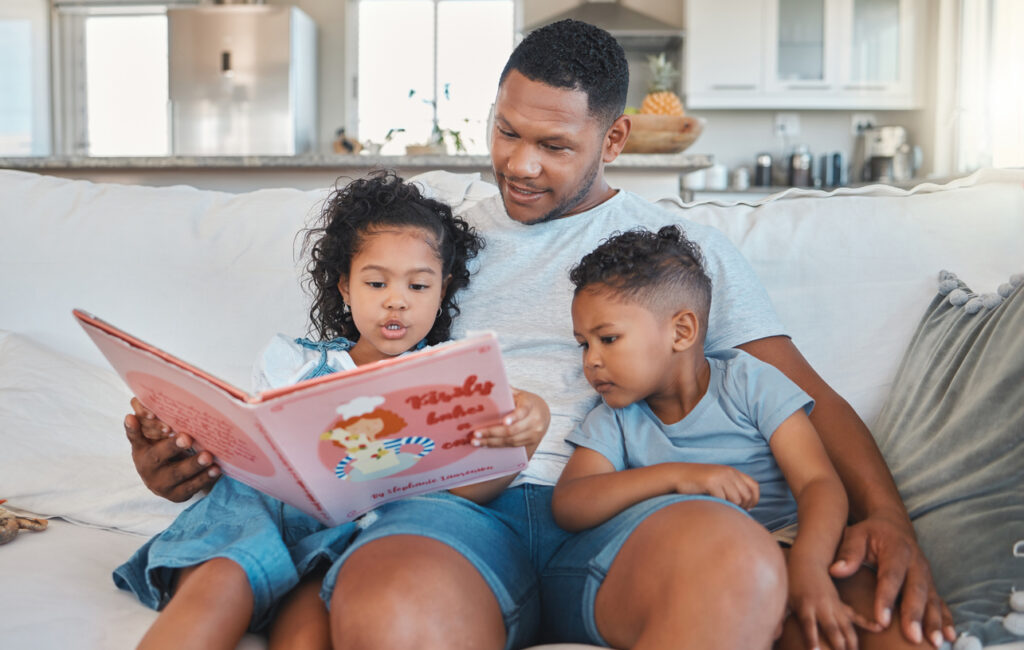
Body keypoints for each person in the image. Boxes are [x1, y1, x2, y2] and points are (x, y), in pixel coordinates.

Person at [124, 19, 955, 650]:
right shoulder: (430, 243)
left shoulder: (672, 256)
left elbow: (804, 393)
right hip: (457, 513)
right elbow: (341, 396)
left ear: (613, 139)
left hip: (624, 505)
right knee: (388, 596)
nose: (521, 164)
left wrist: (889, 518)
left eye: (555, 145)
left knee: (737, 560)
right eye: (507, 131)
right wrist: (208, 458)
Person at [118, 170, 549, 649]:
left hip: (339, 541)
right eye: (376, 282)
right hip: (253, 514)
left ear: (443, 290)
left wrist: (526, 433)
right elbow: (249, 444)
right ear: (345, 287)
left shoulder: (450, 384)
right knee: (222, 581)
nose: (397, 301)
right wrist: (184, 431)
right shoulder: (295, 361)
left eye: (419, 287)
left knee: (308, 626)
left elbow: (464, 489)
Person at [554, 225, 892, 650]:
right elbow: (570, 503)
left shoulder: (750, 382)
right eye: (582, 345)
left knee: (862, 614)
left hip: (798, 538)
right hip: (706, 564)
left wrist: (808, 563)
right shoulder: (617, 416)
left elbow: (818, 483)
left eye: (608, 339)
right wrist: (677, 476)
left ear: (681, 332)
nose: (592, 362)